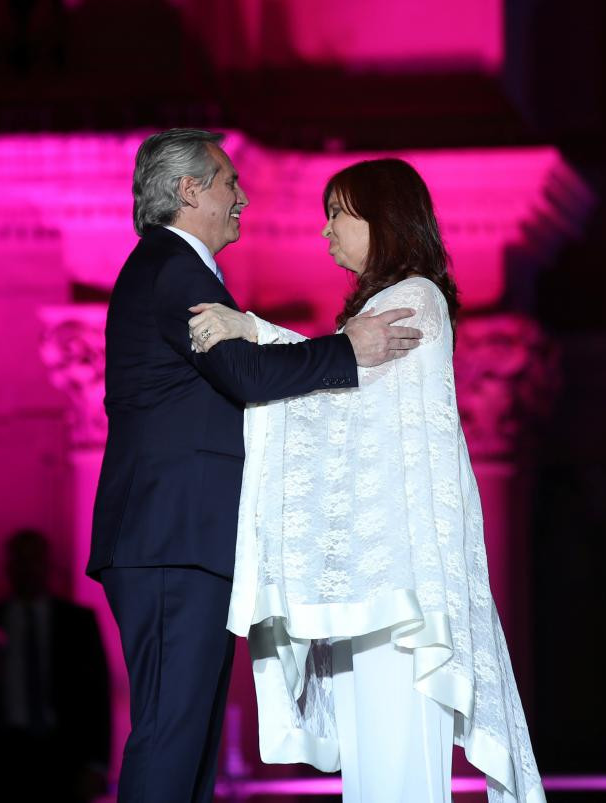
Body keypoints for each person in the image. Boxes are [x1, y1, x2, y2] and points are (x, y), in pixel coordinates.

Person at [190, 158, 546, 803]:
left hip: (400, 586)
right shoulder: (388, 303)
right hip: (374, 583)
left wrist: (252, 333)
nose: (325, 232)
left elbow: (341, 404)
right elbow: (338, 396)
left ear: (383, 220)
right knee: (375, 772)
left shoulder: (412, 300)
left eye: (337, 214)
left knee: (395, 770)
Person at [90, 129, 423, 803]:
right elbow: (242, 372)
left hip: (187, 539)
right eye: (228, 182)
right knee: (170, 730)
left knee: (192, 739)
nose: (242, 197)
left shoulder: (176, 268)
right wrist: (346, 349)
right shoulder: (170, 265)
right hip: (169, 538)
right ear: (189, 191)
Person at [0, 529, 111, 803]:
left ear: (47, 565)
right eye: (21, 560)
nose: (28, 569)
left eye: (34, 560)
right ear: (10, 566)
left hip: (64, 756)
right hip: (4, 756)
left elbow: (98, 695)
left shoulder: (78, 623)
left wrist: (97, 763)